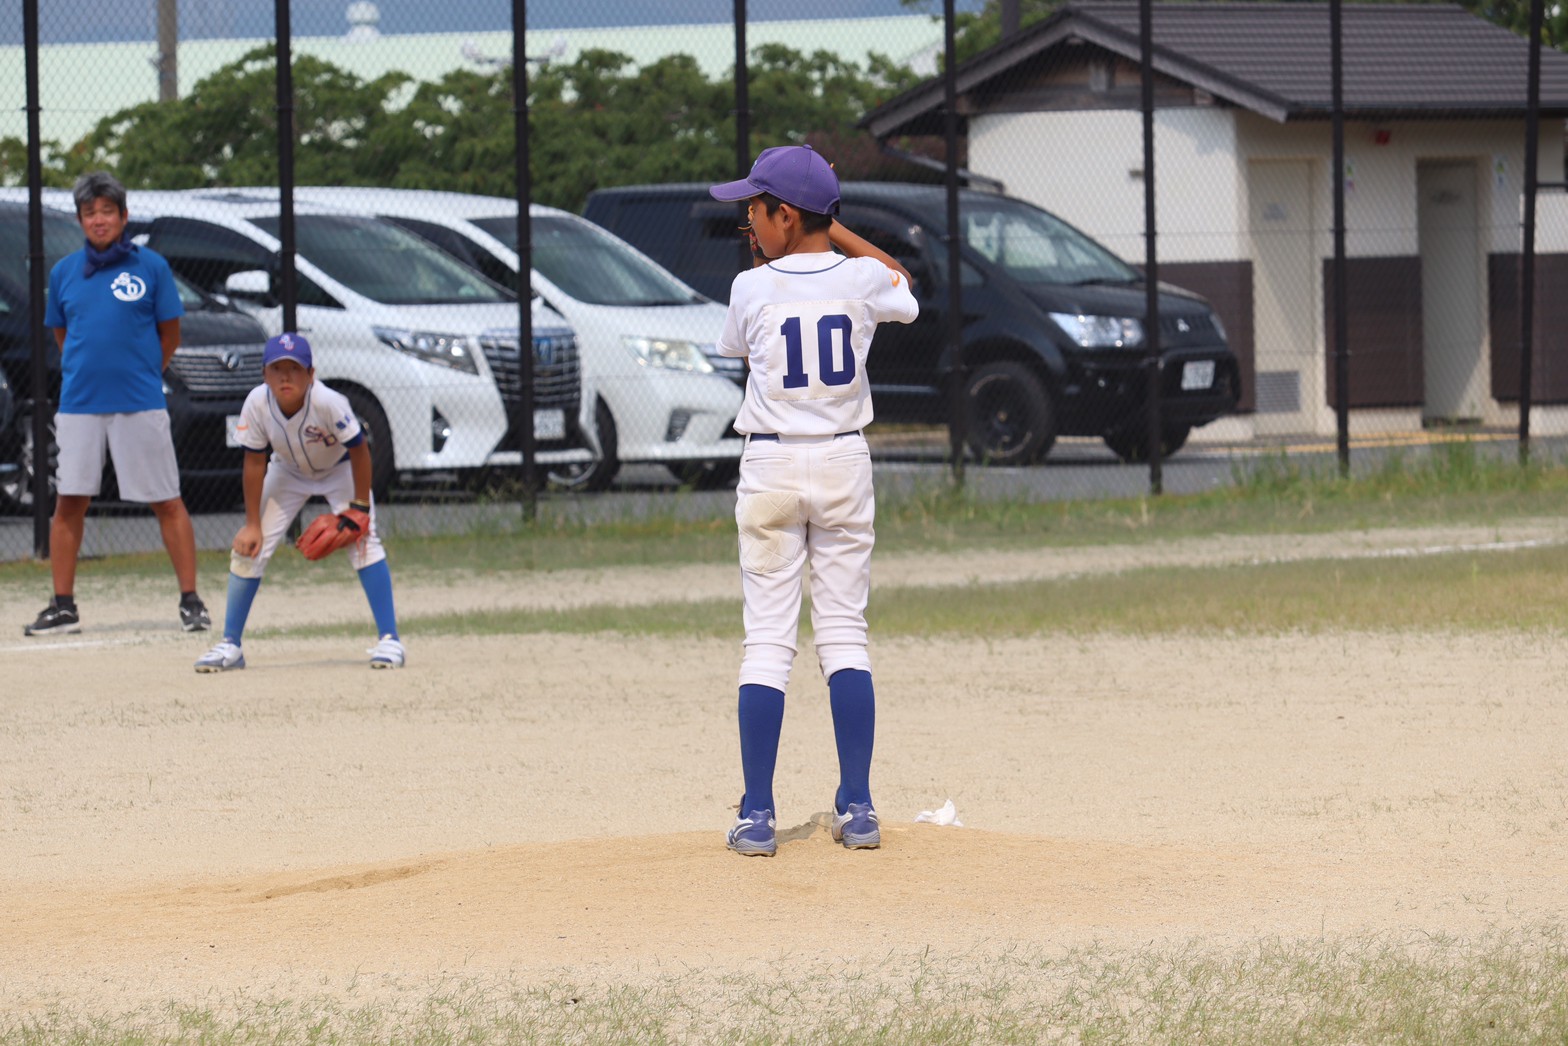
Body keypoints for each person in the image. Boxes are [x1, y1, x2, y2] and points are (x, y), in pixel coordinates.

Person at [708, 145, 919, 857]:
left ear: (785, 214)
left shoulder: (751, 288)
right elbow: (903, 282)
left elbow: (740, 341)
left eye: (756, 211)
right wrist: (837, 230)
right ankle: (857, 806)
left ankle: (759, 814)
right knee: (843, 634)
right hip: (841, 463)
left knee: (768, 640)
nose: (749, 225)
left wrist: (798, 242)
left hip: (770, 466)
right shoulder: (863, 279)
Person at [25, 171, 210, 637]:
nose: (100, 219)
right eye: (91, 213)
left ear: (124, 217)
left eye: (108, 211)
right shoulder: (64, 271)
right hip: (80, 405)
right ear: (80, 220)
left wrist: (144, 370)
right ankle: (63, 605)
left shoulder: (151, 267)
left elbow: (170, 334)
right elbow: (63, 335)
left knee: (167, 500)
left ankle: (191, 601)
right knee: (69, 502)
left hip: (140, 401)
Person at [193, 332, 405, 672]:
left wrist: (359, 507)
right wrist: (251, 524)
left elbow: (360, 450)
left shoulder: (327, 401)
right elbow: (253, 462)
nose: (286, 376)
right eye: (277, 368)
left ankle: (390, 640)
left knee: (364, 540)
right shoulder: (257, 403)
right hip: (287, 472)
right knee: (249, 549)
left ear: (311, 374)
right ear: (264, 373)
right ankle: (230, 645)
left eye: (295, 368)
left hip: (340, 470)